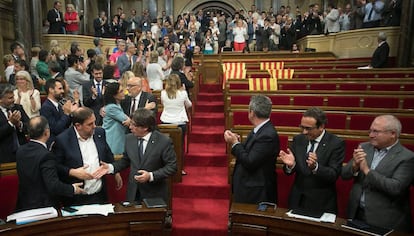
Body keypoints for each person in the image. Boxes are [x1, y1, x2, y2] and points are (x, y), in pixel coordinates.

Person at [341, 115, 414, 233]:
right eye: (370, 131)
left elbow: (395, 187)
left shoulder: (407, 157)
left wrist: (366, 170)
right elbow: (344, 175)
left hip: (385, 220)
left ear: (393, 134)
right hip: (356, 213)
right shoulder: (364, 147)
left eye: (376, 132)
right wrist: (354, 167)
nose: (370, 135)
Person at [93, 108, 177, 204]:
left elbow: (172, 167)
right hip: (133, 193)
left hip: (154, 193)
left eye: (133, 125)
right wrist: (111, 167)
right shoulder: (129, 139)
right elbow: (125, 161)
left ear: (145, 127)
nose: (130, 127)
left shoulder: (163, 141)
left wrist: (150, 176)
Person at [279, 107, 345, 214]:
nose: (304, 132)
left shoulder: (335, 144)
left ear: (321, 126)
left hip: (321, 203)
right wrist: (291, 166)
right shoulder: (298, 140)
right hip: (298, 200)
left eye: (308, 128)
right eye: (302, 127)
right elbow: (290, 171)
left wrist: (316, 167)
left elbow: (333, 174)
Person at [53, 107, 121, 206]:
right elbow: (56, 166)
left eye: (94, 122)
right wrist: (72, 172)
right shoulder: (62, 140)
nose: (94, 126)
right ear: (78, 126)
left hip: (99, 194)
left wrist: (115, 172)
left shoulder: (99, 133)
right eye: (90, 124)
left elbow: (107, 153)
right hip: (76, 198)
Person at [15, 116, 85, 212]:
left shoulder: (20, 151)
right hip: (44, 207)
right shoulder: (46, 155)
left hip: (24, 205)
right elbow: (53, 185)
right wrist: (72, 189)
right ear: (47, 132)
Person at [224, 95, 280, 204]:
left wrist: (235, 143)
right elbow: (252, 152)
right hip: (249, 187)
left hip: (256, 192)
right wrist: (238, 141)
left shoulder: (267, 135)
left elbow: (250, 161)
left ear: (252, 112)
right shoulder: (260, 129)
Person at [160, 74, 192, 175]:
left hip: (166, 122)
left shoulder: (163, 93)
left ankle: (166, 168)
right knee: (179, 147)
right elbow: (189, 105)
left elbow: (163, 104)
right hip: (179, 123)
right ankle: (179, 169)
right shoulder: (182, 93)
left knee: (165, 147)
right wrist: (183, 91)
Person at [40, 79, 74, 147]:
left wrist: (71, 113)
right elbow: (55, 129)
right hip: (54, 144)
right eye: (60, 89)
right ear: (51, 90)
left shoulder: (58, 105)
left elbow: (66, 125)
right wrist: (66, 114)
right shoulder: (46, 107)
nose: (63, 91)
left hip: (63, 141)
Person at [0, 83, 29, 163]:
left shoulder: (18, 108)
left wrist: (19, 124)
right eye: (10, 98)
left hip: (23, 151)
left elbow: (30, 126)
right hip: (4, 155)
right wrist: (10, 123)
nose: (13, 100)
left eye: (13, 97)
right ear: (1, 99)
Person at [102, 82, 130, 155]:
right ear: (114, 95)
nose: (124, 93)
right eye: (121, 91)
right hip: (113, 140)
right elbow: (126, 120)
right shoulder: (112, 107)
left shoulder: (117, 105)